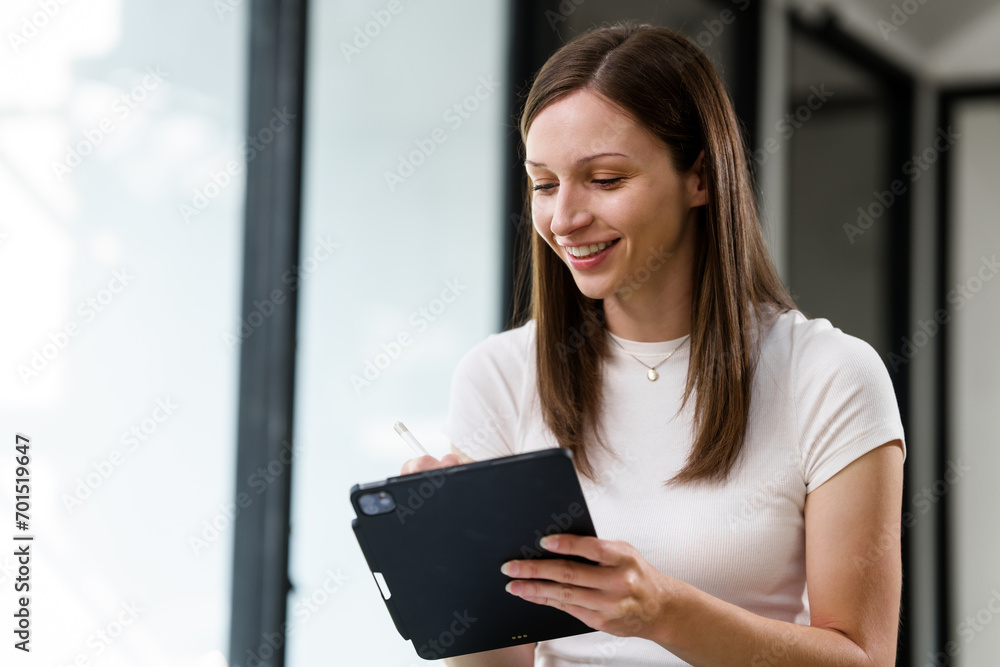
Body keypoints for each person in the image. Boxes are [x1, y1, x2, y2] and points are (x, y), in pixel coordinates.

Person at [401, 22, 905, 667]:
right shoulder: (499, 375)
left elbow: (863, 658)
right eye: (545, 184)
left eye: (606, 180)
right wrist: (452, 571)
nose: (564, 219)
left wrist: (664, 613)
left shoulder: (829, 376)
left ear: (700, 178)